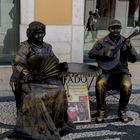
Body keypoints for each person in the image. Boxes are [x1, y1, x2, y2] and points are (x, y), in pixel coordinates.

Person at [8, 21, 75, 140]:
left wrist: (60, 66)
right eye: (37, 33)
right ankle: (39, 129)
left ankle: (58, 124)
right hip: (30, 81)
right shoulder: (25, 46)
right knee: (36, 96)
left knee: (60, 91)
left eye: (42, 33)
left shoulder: (47, 47)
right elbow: (17, 63)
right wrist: (26, 74)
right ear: (31, 34)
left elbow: (53, 62)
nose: (40, 36)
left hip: (45, 79)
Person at [88, 19, 137, 123]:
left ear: (120, 29)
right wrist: (103, 54)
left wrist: (131, 52)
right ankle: (101, 111)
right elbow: (91, 54)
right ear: (109, 29)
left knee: (127, 85)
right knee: (100, 83)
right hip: (106, 71)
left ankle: (122, 111)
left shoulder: (126, 41)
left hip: (122, 71)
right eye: (113, 27)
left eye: (118, 27)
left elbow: (134, 59)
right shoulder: (101, 42)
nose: (115, 30)